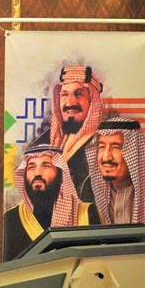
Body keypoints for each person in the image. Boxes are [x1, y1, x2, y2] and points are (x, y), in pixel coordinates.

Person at [4, 144, 101, 262]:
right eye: (31, 167)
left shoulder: (87, 213)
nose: (37, 173)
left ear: (60, 174)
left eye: (46, 166)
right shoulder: (13, 217)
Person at [31, 65, 104, 193]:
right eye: (64, 94)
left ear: (92, 101)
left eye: (78, 93)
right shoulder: (44, 140)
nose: (70, 103)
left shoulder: (103, 144)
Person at [80, 117, 145, 225]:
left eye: (116, 147)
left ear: (134, 152)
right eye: (102, 147)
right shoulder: (89, 189)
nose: (106, 157)